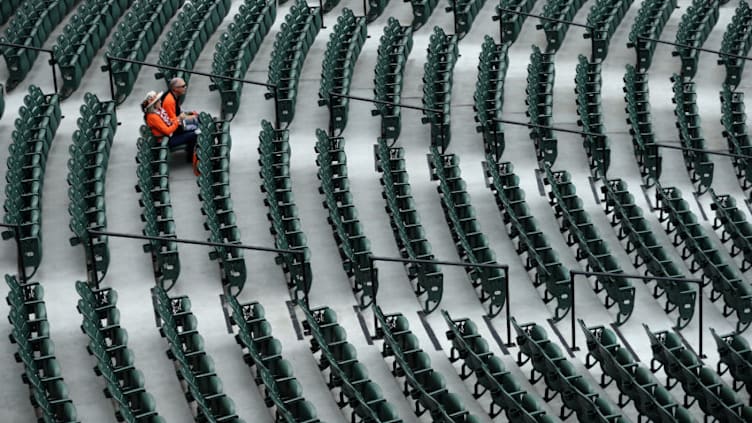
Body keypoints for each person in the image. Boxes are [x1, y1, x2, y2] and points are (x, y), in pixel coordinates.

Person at [142, 90, 197, 162]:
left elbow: (169, 122)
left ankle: (190, 152)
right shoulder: (153, 117)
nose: (161, 102)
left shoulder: (158, 112)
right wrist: (178, 120)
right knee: (194, 134)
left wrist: (178, 119)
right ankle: (190, 158)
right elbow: (167, 131)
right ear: (154, 104)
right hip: (166, 140)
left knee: (192, 130)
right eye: (158, 101)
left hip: (170, 136)